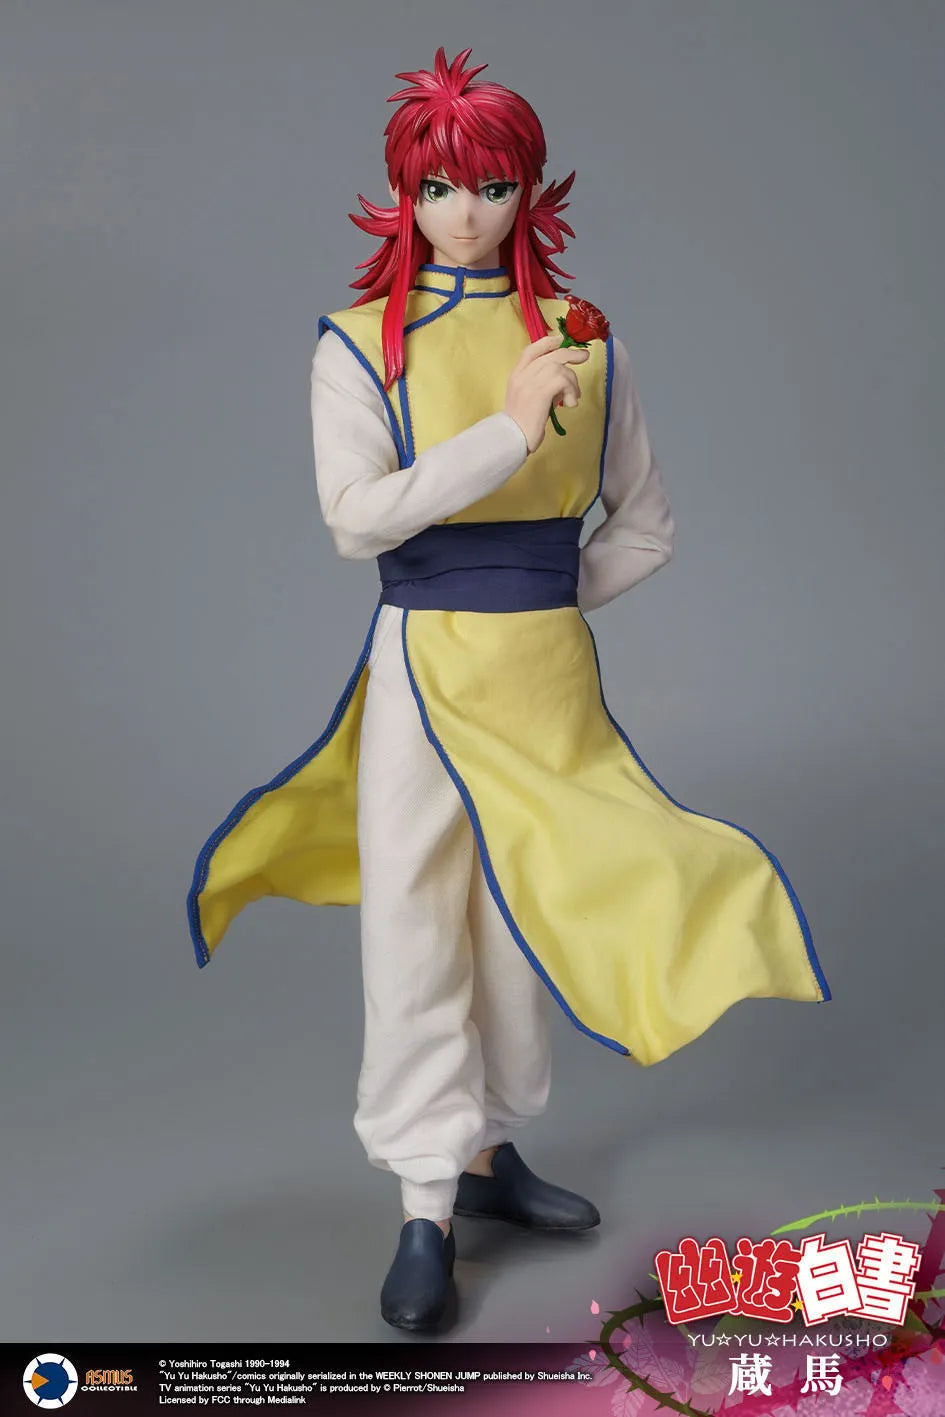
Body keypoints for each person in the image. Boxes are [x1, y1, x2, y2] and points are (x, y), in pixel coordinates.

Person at [187, 46, 831, 1335]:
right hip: (423, 671)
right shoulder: (360, 344)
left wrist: (539, 592)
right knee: (416, 922)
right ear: (404, 195)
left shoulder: (587, 342)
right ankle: (423, 1202)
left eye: (490, 185)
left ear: (530, 189)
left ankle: (488, 1154)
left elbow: (646, 526)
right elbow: (356, 518)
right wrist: (508, 433)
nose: (466, 212)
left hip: (543, 675)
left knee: (522, 913)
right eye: (438, 188)